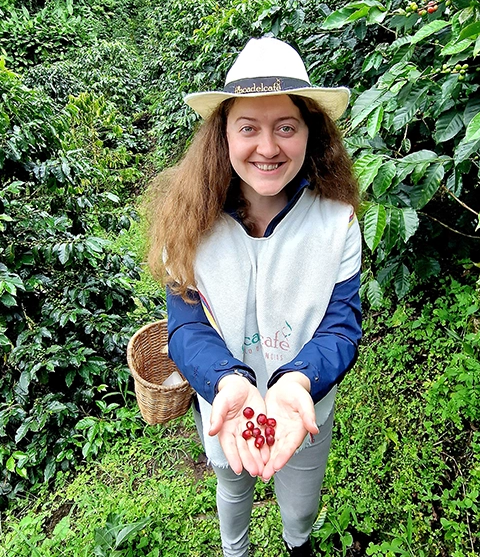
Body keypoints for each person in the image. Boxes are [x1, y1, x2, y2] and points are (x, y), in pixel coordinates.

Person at [146, 37, 362, 557]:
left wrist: (297, 381)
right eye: (249, 128)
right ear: (222, 135)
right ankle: (235, 551)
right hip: (225, 406)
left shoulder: (337, 222)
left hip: (303, 406)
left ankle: (297, 545)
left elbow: (341, 327)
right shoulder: (188, 222)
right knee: (231, 482)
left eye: (285, 127)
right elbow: (187, 328)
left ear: (312, 133)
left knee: (301, 503)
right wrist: (226, 383)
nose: (268, 147)